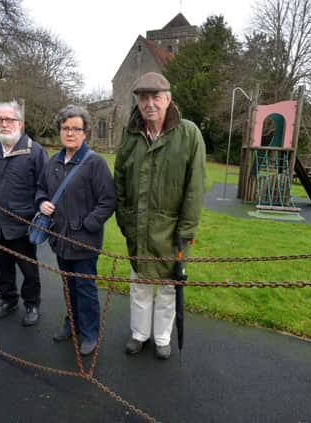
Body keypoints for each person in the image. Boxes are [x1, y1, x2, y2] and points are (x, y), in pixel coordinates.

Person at [114, 72, 206, 360]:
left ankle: (163, 337)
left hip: (172, 229)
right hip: (138, 226)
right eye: (143, 98)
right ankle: (140, 333)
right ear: (138, 102)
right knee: (139, 284)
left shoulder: (189, 133)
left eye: (156, 97)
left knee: (168, 288)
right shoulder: (130, 134)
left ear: (168, 99)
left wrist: (186, 230)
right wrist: (125, 220)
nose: (150, 103)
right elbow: (119, 178)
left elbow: (195, 186)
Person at [35, 105, 116, 356]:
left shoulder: (95, 163)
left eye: (76, 129)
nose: (70, 133)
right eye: (65, 128)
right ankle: (72, 324)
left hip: (84, 241)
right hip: (59, 239)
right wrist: (42, 202)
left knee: (85, 288)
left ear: (85, 133)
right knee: (67, 285)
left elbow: (108, 201)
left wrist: (88, 225)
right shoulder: (53, 162)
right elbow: (40, 189)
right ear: (60, 131)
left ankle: (90, 333)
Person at [0, 100, 48, 326]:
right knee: (2, 267)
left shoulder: (34, 151)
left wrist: (38, 210)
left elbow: (43, 186)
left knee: (28, 269)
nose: (4, 124)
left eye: (9, 119)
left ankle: (32, 304)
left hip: (22, 224)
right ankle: (8, 300)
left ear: (20, 122)